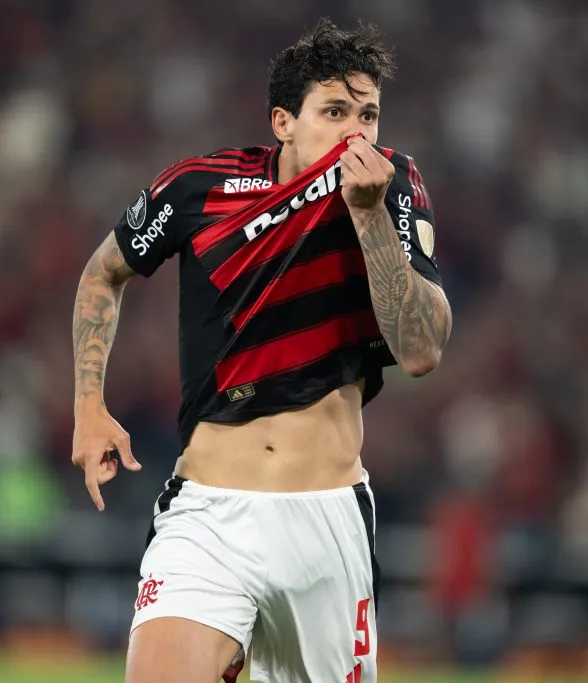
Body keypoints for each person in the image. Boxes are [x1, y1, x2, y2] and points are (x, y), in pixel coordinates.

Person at [70, 18, 451, 683]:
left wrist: (367, 218)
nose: (356, 133)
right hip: (209, 515)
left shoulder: (392, 187)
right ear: (283, 121)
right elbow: (103, 271)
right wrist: (87, 403)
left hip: (326, 522)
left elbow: (420, 349)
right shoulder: (198, 189)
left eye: (369, 114)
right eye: (334, 112)